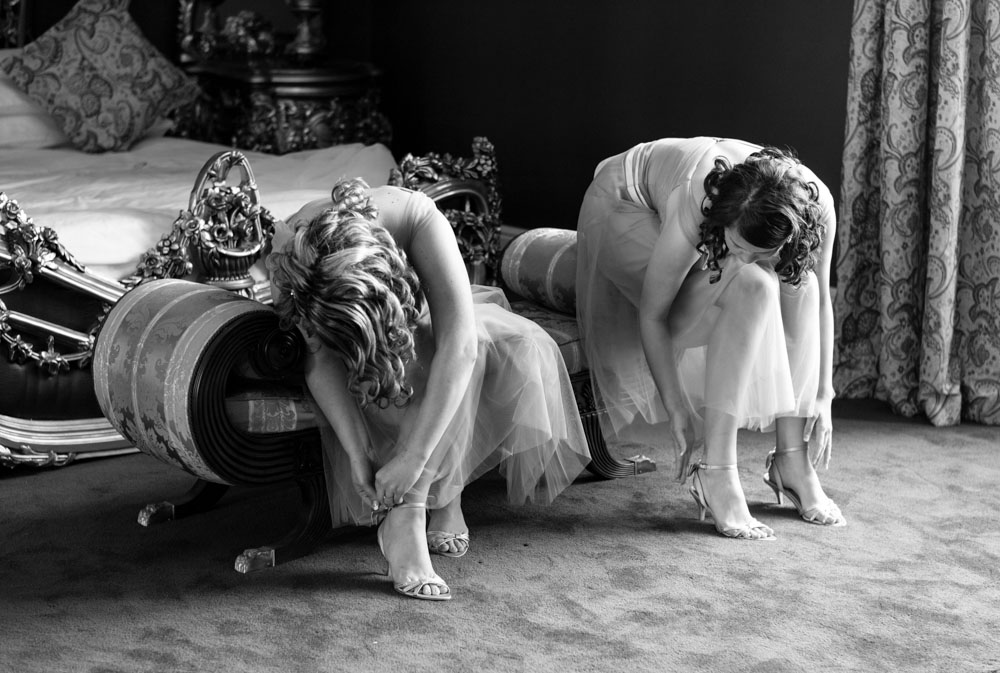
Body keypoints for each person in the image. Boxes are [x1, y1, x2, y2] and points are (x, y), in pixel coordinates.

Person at [266, 178, 591, 599]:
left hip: (422, 320)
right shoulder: (290, 261)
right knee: (375, 365)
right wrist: (358, 452)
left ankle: (424, 503)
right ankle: (419, 511)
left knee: (451, 348)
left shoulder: (415, 216)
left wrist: (413, 461)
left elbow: (461, 344)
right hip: (350, 336)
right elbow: (320, 361)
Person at [575, 136, 845, 541]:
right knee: (753, 283)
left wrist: (823, 394)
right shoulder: (699, 197)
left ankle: (792, 459)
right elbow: (655, 316)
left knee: (799, 283)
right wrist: (677, 407)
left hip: (721, 220)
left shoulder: (817, 204)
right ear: (724, 219)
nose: (742, 258)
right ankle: (717, 473)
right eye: (736, 245)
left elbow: (822, 301)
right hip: (622, 205)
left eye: (758, 250)